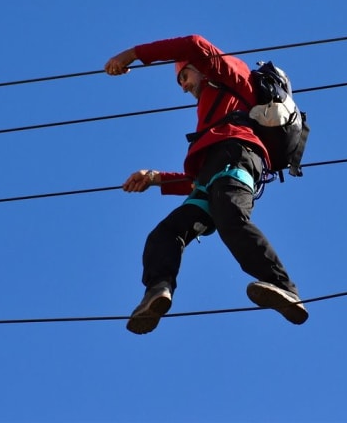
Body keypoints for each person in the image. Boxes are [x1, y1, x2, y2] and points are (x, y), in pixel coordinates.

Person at [104, 34, 308, 335]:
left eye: (184, 76)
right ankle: (157, 291)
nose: (184, 86)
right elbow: (201, 180)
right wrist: (155, 178)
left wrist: (133, 54)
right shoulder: (210, 115)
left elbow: (193, 43)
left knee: (230, 217)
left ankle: (283, 287)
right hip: (213, 176)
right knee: (165, 234)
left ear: (199, 67)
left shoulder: (234, 79)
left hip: (238, 159)